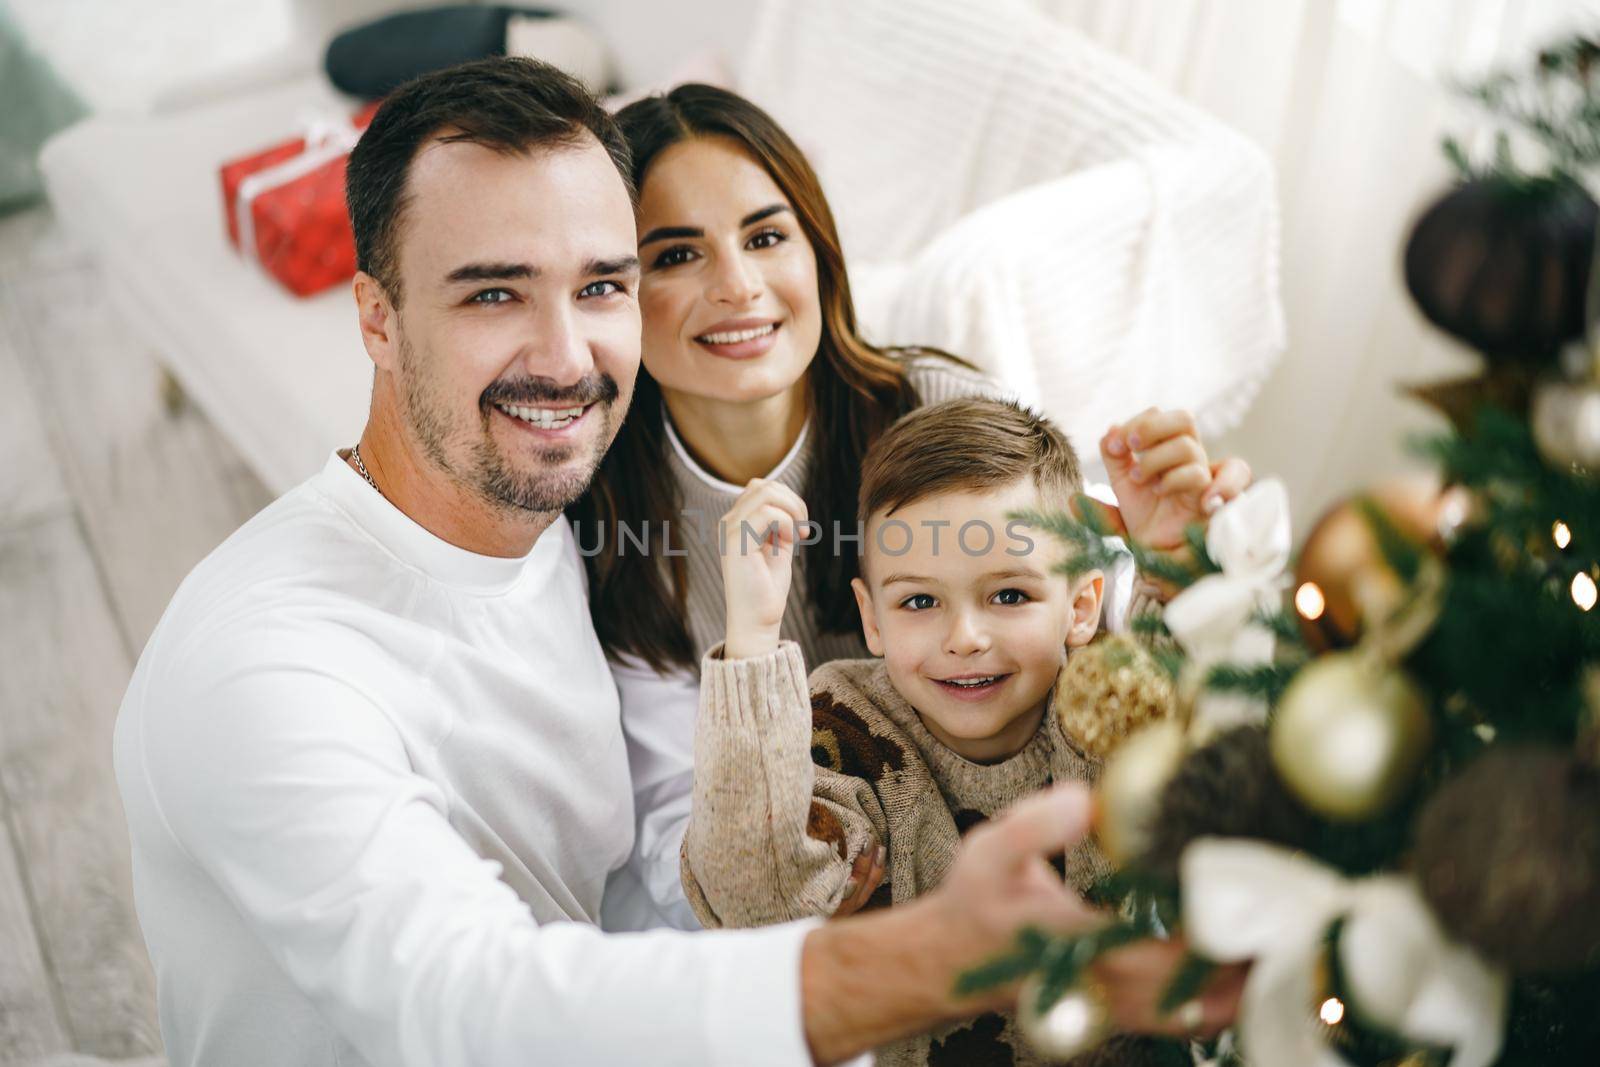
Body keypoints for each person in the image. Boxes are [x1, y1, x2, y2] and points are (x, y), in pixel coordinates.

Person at [111, 57, 1239, 1067]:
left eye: (597, 284)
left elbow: (665, 866)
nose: (565, 356)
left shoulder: (545, 526)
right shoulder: (262, 663)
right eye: (493, 290)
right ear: (376, 315)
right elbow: (460, 1004)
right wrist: (924, 955)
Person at [568, 84, 1251, 932]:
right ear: (613, 293)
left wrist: (1169, 561)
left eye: (767, 236)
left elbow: (1092, 633)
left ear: (818, 254)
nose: (738, 286)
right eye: (676, 255)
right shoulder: (609, 512)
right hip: (828, 882)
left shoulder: (939, 409)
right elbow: (688, 830)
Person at [685, 397, 1190, 1065]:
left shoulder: (1105, 703)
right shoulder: (844, 727)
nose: (964, 638)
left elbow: (1216, 742)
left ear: (1081, 606)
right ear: (873, 619)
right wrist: (751, 633)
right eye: (919, 601)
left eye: (1009, 595)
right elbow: (759, 906)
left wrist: (1180, 573)